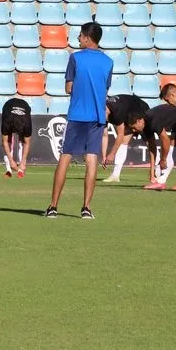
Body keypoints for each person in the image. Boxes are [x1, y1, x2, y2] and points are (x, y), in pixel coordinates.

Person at [46, 22, 113, 220]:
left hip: (77, 115)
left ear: (87, 38)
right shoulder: (108, 62)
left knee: (65, 157)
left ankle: (53, 207)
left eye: (80, 36)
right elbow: (104, 88)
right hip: (97, 116)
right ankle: (86, 208)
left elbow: (68, 88)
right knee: (91, 160)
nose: (78, 39)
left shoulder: (75, 58)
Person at [126, 104, 176, 189]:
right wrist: (152, 172)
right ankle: (161, 182)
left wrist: (163, 159)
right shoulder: (145, 127)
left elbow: (165, 139)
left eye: (134, 127)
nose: (134, 131)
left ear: (139, 121)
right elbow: (152, 148)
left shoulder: (152, 120)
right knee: (171, 150)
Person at [100, 94, 150, 183]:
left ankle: (159, 171)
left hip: (140, 110)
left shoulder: (117, 111)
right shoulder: (101, 114)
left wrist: (112, 154)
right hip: (128, 113)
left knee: (149, 141)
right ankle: (115, 176)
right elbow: (104, 135)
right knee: (124, 141)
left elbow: (120, 134)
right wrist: (104, 156)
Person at [0, 97, 32, 179]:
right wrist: (11, 161)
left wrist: (23, 162)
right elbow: (4, 142)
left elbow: (27, 143)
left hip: (24, 106)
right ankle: (8, 171)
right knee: (8, 141)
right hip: (8, 106)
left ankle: (21, 170)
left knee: (22, 141)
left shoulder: (27, 123)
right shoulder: (7, 122)